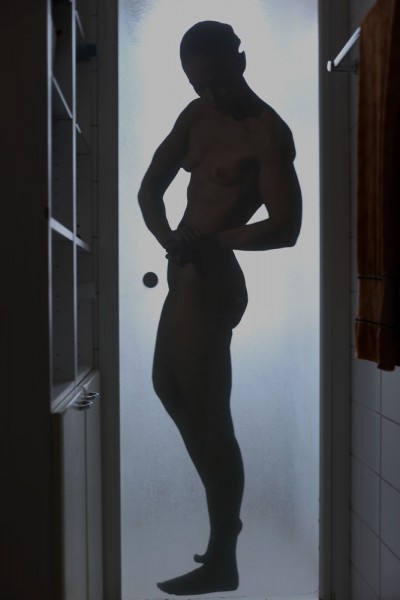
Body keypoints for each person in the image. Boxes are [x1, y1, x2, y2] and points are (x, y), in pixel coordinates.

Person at [138, 20, 302, 596]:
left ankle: (223, 556)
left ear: (241, 61)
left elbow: (286, 228)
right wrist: (168, 236)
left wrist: (214, 241)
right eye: (199, 85)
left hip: (213, 284)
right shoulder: (195, 115)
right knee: (169, 388)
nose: (211, 95)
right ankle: (223, 514)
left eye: (218, 82)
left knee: (210, 417)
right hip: (185, 275)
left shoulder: (268, 133)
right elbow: (149, 189)